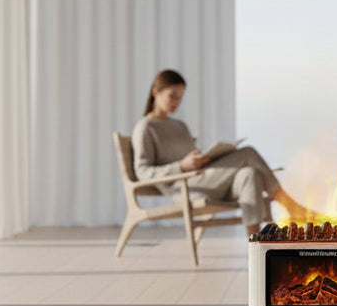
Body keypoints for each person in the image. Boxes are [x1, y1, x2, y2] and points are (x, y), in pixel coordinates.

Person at [131, 69, 307, 235]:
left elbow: (190, 158)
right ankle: (290, 206)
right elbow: (143, 172)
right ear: (156, 92)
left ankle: (255, 243)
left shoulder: (180, 126)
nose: (176, 102)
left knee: (250, 174)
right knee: (248, 153)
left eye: (180, 97)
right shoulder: (145, 128)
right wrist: (181, 166)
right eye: (172, 96)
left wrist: (202, 159)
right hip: (186, 188)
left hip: (205, 179)